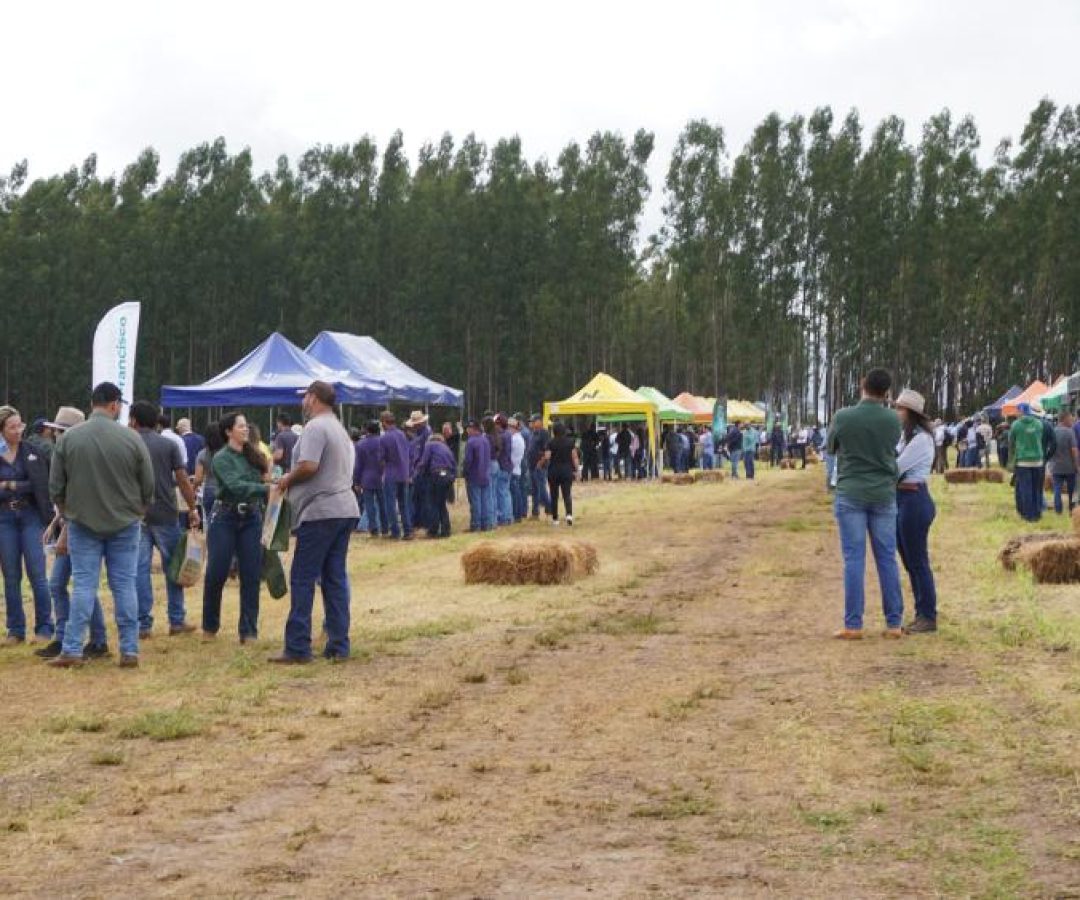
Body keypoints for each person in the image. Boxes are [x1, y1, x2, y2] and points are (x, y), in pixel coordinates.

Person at [48, 383, 154, 667]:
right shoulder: (132, 439)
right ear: (114, 405)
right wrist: (137, 512)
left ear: (93, 402)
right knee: (124, 586)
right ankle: (129, 650)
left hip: (83, 524)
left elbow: (55, 487)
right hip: (125, 524)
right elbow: (148, 486)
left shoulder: (68, 439)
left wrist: (67, 514)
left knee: (84, 586)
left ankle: (72, 649)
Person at [271, 381, 359, 664]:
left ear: (315, 399)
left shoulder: (315, 427)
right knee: (333, 579)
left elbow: (309, 465)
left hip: (321, 510)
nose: (303, 402)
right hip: (344, 508)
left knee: (302, 578)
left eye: (305, 397)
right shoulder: (338, 428)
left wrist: (285, 479)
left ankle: (297, 647)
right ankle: (338, 645)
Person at [827, 368, 904, 640]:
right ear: (887, 392)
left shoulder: (843, 416)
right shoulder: (894, 420)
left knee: (854, 559)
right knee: (887, 559)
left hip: (851, 491)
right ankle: (894, 623)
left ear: (862, 385)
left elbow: (831, 448)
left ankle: (853, 624)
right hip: (883, 493)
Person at [35, 407, 109, 660]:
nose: (53, 435)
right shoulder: (69, 452)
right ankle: (85, 639)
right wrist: (55, 522)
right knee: (74, 586)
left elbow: (76, 499)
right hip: (72, 524)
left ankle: (86, 639)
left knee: (70, 585)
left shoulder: (70, 454)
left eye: (57, 431)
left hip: (78, 528)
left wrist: (65, 530)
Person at [129, 400, 200, 638]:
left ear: (134, 420)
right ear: (157, 421)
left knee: (139, 569)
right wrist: (192, 507)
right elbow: (182, 480)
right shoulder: (168, 445)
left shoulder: (128, 443)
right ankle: (176, 620)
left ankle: (143, 624)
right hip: (166, 512)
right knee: (174, 566)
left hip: (136, 515)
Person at [201, 412, 270, 643]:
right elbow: (235, 485)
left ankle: (248, 631)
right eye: (240, 427)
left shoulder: (255, 455)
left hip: (252, 517)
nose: (245, 430)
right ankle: (210, 626)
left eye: (246, 426)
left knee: (251, 575)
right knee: (216, 573)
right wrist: (264, 489)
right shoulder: (220, 458)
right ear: (228, 431)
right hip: (225, 518)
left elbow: (264, 480)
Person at [0, 405, 55, 644]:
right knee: (11, 576)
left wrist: (9, 486)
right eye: (12, 427)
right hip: (4, 519)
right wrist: (22, 484)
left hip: (31, 516)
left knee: (37, 573)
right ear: (1, 430)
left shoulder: (33, 451)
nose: (18, 430)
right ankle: (15, 630)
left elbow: (40, 485)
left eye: (20, 425)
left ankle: (44, 627)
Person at [894, 390, 939, 634]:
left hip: (913, 498)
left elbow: (896, 467)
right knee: (911, 561)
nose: (896, 412)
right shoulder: (907, 437)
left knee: (918, 561)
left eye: (900, 409)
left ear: (909, 413)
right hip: (904, 497)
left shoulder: (920, 439)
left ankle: (927, 614)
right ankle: (922, 611)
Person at [1008, 403, 1045, 523]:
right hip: (1038, 461)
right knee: (1037, 488)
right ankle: (1037, 513)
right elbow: (1040, 438)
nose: (1016, 414)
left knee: (1026, 489)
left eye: (1017, 411)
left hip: (1023, 461)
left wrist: (1011, 461)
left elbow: (1011, 443)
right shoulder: (1039, 424)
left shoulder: (1016, 425)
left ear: (1020, 412)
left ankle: (1029, 515)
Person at [415, 432, 456, 538]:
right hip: (448, 476)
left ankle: (433, 530)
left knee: (432, 503)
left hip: (437, 475)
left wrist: (416, 472)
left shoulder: (429, 445)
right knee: (441, 504)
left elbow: (424, 461)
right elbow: (454, 465)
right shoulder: (447, 448)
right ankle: (446, 530)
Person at [380, 411, 413, 540]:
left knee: (390, 504)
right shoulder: (402, 435)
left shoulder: (384, 437)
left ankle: (395, 531)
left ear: (384, 422)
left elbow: (381, 458)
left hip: (391, 474)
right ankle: (408, 531)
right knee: (404, 504)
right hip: (403, 473)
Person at [354, 421, 387, 537]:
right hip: (381, 476)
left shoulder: (360, 444)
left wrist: (356, 481)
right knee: (383, 503)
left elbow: (358, 465)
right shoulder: (382, 441)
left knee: (369, 504)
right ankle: (385, 527)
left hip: (366, 477)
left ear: (367, 430)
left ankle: (373, 528)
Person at [545, 422, 579, 526]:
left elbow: (547, 457)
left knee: (554, 496)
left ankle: (555, 519)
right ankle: (569, 515)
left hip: (553, 471)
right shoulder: (570, 442)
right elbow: (574, 457)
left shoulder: (550, 442)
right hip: (566, 470)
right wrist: (577, 470)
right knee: (567, 494)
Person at [463, 420, 493, 532]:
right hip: (485, 474)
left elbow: (468, 460)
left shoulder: (471, 442)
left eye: (468, 428)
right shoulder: (485, 440)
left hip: (474, 474)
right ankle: (486, 524)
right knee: (485, 501)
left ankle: (476, 524)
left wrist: (464, 472)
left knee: (475, 501)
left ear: (473, 429)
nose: (467, 430)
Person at [406, 411, 432, 533]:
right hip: (419, 468)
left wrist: (418, 469)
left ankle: (423, 521)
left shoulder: (425, 434)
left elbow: (422, 454)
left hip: (422, 469)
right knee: (419, 497)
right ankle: (420, 521)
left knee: (423, 497)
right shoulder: (421, 433)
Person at [193, 421, 225, 521]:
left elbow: (198, 479)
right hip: (226, 489)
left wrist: (193, 489)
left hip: (209, 489)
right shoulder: (228, 453)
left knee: (210, 520)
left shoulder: (202, 454)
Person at [1050, 411, 1078, 514]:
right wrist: (1076, 465)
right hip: (1069, 467)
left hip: (1056, 466)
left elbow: (1049, 448)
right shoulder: (1070, 432)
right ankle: (1071, 509)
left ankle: (1058, 510)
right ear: (1064, 419)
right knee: (1071, 490)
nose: (1072, 421)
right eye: (1070, 419)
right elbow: (1074, 450)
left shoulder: (1053, 432)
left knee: (1057, 489)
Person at [527, 415, 552, 518]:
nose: (531, 423)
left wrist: (541, 462)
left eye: (533, 421)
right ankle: (535, 512)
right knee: (534, 490)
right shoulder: (533, 433)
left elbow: (547, 450)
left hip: (540, 466)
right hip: (532, 465)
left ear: (539, 422)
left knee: (541, 489)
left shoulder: (544, 433)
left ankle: (550, 508)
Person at [493, 414, 514, 526]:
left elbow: (498, 452)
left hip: (502, 466)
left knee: (500, 493)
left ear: (499, 424)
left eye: (495, 423)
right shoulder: (508, 434)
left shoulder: (501, 436)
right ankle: (508, 516)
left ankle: (503, 517)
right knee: (506, 493)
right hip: (508, 466)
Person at [508, 417, 528, 522]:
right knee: (517, 493)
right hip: (517, 468)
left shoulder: (514, 439)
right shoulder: (519, 438)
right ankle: (518, 514)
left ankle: (517, 515)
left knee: (515, 494)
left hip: (513, 469)